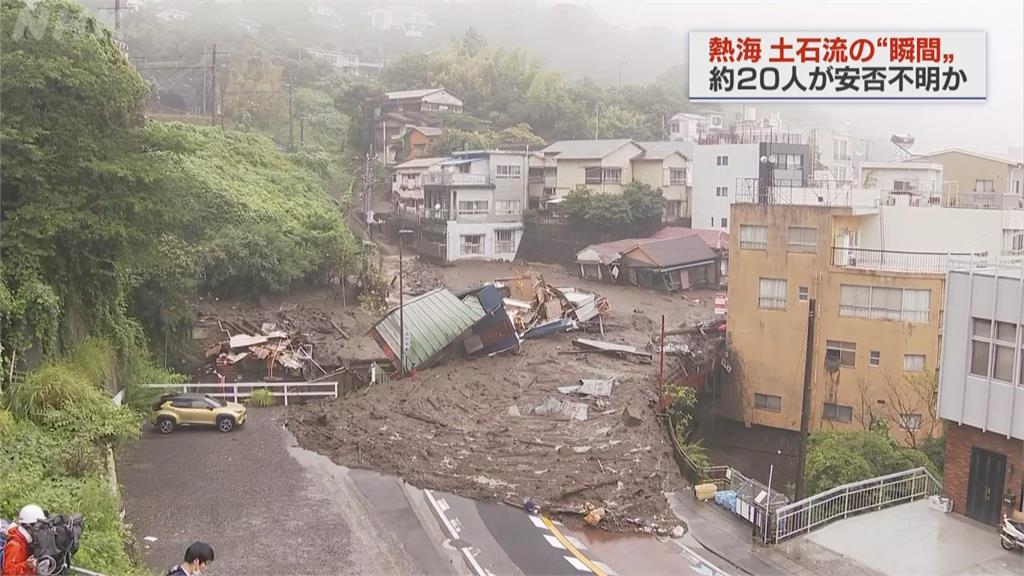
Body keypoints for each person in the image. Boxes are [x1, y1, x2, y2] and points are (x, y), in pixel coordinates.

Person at [3, 504, 46, 575]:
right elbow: (7, 572)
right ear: (28, 526)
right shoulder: (15, 545)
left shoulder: (27, 542)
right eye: (37, 526)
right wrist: (26, 566)